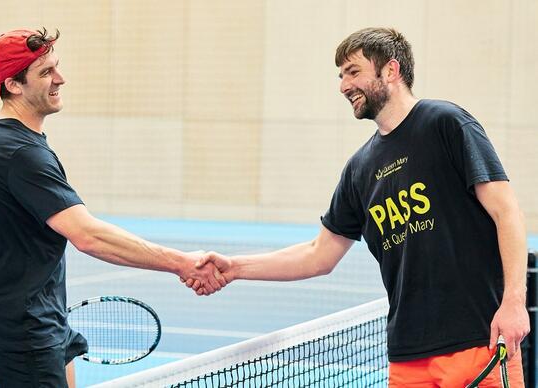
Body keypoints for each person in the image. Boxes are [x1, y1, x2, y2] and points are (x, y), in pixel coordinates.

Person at [186, 27, 529, 386]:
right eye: (340, 76)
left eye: (353, 72)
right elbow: (318, 255)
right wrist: (234, 267)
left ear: (391, 71)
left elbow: (507, 212)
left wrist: (514, 302)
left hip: (478, 341)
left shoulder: (445, 123)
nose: (343, 86)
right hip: (408, 356)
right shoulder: (359, 169)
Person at [0, 28, 225, 388]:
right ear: (13, 84)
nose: (60, 79)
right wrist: (180, 262)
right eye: (45, 73)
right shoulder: (19, 153)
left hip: (43, 317)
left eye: (56, 67)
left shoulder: (0, 134)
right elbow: (89, 236)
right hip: (22, 330)